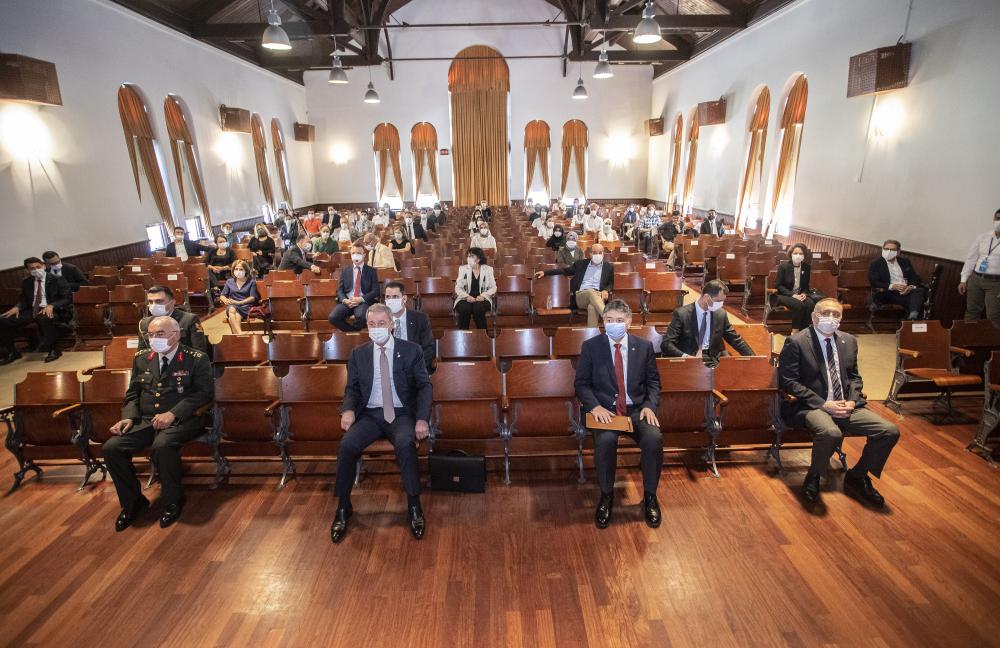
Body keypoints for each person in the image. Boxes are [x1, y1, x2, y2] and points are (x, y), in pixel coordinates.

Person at [778, 298, 899, 507]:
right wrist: (824, 404)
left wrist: (852, 401)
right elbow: (788, 381)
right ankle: (814, 476)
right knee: (830, 432)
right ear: (814, 316)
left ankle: (858, 475)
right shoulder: (797, 341)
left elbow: (854, 377)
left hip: (845, 404)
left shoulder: (848, 340)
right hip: (811, 405)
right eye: (826, 313)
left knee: (889, 431)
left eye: (836, 314)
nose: (831, 318)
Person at [331, 304, 432, 543]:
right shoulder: (358, 354)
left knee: (406, 444)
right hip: (370, 414)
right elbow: (352, 388)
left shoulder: (411, 350)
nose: (376, 328)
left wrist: (421, 419)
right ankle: (343, 506)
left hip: (400, 414)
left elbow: (424, 386)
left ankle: (414, 505)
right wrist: (348, 410)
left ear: (391, 324)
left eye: (381, 323)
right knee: (347, 446)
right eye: (372, 324)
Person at [103, 316, 213, 531]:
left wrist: (173, 413)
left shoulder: (195, 358)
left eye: (160, 334)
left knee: (162, 445)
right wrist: (128, 416)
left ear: (176, 335)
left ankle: (173, 501)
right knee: (112, 448)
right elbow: (133, 392)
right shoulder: (142, 358)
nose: (154, 339)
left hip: (184, 419)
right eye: (151, 335)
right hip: (146, 419)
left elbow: (204, 393)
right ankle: (132, 502)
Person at [575, 300, 662, 529]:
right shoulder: (591, 347)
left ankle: (650, 496)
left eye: (619, 320)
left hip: (637, 410)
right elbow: (581, 384)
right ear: (603, 322)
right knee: (605, 441)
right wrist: (595, 407)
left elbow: (653, 382)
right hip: (606, 411)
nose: (614, 324)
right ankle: (606, 495)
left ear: (629, 323)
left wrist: (649, 406)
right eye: (609, 320)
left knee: (653, 438)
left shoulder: (644, 347)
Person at [661, 280, 754, 367]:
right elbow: (667, 343)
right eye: (718, 301)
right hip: (690, 360)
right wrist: (686, 357)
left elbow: (735, 339)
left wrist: (754, 359)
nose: (721, 304)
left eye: (723, 301)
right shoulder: (682, 314)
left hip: (713, 360)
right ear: (706, 297)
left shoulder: (720, 314)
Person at [0, 257, 72, 363]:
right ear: (27, 270)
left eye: (38, 267)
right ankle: (12, 352)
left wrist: (52, 305)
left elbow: (67, 298)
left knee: (45, 318)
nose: (36, 270)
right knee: (3, 319)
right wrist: (17, 307)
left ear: (44, 266)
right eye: (32, 268)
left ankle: (53, 349)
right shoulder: (26, 282)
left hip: (53, 309)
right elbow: (23, 299)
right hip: (32, 310)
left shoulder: (57, 279)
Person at [534, 243, 614, 327]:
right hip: (581, 296)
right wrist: (545, 272)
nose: (597, 255)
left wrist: (606, 290)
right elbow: (564, 271)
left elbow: (610, 283)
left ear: (603, 254)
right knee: (591, 291)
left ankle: (592, 333)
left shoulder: (608, 267)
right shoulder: (580, 264)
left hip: (598, 296)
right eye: (594, 252)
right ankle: (609, 319)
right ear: (590, 254)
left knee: (592, 307)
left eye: (600, 252)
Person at [959, 209, 1000, 327]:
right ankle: (968, 337)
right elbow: (971, 259)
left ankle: (994, 339)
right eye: (997, 218)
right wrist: (963, 280)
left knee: (993, 315)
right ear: (993, 219)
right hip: (976, 279)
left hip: (995, 283)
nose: (999, 222)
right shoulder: (983, 237)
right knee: (972, 311)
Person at [384, 281, 435, 374]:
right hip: (389, 370)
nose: (391, 300)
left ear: (404, 299)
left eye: (395, 297)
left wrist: (415, 368)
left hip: (415, 369)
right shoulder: (381, 321)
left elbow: (428, 349)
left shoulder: (420, 319)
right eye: (388, 297)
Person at [138, 285, 208, 353]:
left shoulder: (189, 320)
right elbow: (141, 353)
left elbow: (199, 350)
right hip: (154, 360)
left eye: (159, 301)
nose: (154, 305)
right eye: (150, 302)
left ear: (172, 302)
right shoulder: (144, 323)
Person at [868, 239, 926, 320]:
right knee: (916, 302)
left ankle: (913, 316)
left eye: (892, 250)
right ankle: (912, 318)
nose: (889, 251)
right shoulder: (876, 263)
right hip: (889, 293)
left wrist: (910, 287)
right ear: (882, 249)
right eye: (886, 249)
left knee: (919, 291)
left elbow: (914, 278)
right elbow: (874, 281)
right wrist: (892, 286)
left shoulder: (905, 262)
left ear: (898, 252)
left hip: (905, 292)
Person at [330, 244, 379, 332]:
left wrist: (361, 299)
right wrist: (345, 300)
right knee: (333, 317)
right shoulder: (345, 270)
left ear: (364, 255)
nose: (355, 255)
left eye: (358, 253)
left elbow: (376, 290)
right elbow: (340, 290)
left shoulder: (371, 271)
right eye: (353, 253)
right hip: (348, 301)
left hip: (363, 302)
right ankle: (352, 333)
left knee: (363, 316)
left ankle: (352, 333)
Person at [773, 243, 818, 332]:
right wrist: (793, 295)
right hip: (784, 295)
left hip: (799, 295)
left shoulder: (806, 267)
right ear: (791, 254)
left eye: (801, 254)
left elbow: (805, 286)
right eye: (795, 253)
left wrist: (804, 294)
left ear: (804, 255)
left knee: (810, 304)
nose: (798, 255)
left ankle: (804, 330)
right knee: (799, 305)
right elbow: (778, 285)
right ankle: (795, 331)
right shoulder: (783, 266)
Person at [453, 247, 496, 330]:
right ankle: (463, 334)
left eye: (471, 256)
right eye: (468, 256)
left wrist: (483, 296)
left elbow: (493, 287)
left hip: (482, 299)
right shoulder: (463, 269)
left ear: (479, 259)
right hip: (465, 298)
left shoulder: (488, 270)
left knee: (478, 308)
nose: (468, 258)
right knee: (464, 308)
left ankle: (483, 334)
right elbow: (458, 288)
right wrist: (466, 297)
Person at [220, 260, 259, 334]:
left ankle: (237, 336)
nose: (238, 271)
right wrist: (225, 300)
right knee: (232, 309)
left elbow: (252, 298)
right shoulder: (229, 281)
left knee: (232, 318)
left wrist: (239, 302)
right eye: (236, 269)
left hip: (246, 306)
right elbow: (222, 295)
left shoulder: (251, 282)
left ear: (246, 271)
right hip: (233, 306)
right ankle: (240, 333)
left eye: (241, 269)